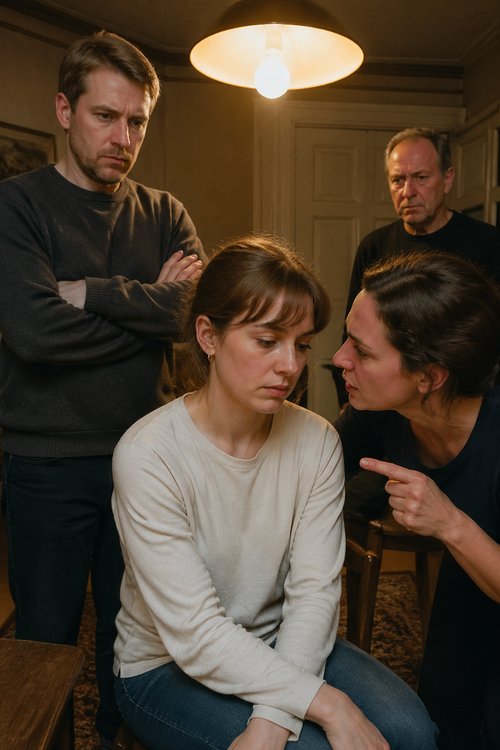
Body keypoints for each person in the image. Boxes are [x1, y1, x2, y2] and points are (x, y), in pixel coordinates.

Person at [111, 234, 438, 750]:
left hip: (280, 638)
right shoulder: (148, 453)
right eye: (267, 341)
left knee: (413, 732)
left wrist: (270, 718)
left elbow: (313, 595)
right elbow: (195, 632)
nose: (290, 365)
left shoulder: (317, 440)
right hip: (164, 665)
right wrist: (328, 704)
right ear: (208, 336)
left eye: (302, 344)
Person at [0, 30, 205, 748]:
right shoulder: (16, 206)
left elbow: (196, 318)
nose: (123, 137)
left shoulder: (166, 212)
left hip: (146, 462)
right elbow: (33, 333)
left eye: (137, 121)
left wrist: (91, 292)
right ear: (65, 110)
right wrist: (150, 312)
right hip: (44, 463)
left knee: (138, 640)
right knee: (45, 641)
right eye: (105, 116)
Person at [333, 250, 500, 750]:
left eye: (362, 352)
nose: (340, 358)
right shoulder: (378, 411)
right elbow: (311, 466)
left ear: (429, 376)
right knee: (442, 724)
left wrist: (449, 522)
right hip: (469, 584)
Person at [334, 126, 500, 519]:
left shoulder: (487, 244)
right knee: (351, 507)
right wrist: (356, 399)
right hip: (395, 415)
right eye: (398, 179)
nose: (408, 190)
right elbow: (354, 334)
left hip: (465, 414)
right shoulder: (375, 245)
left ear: (447, 178)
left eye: (421, 177)